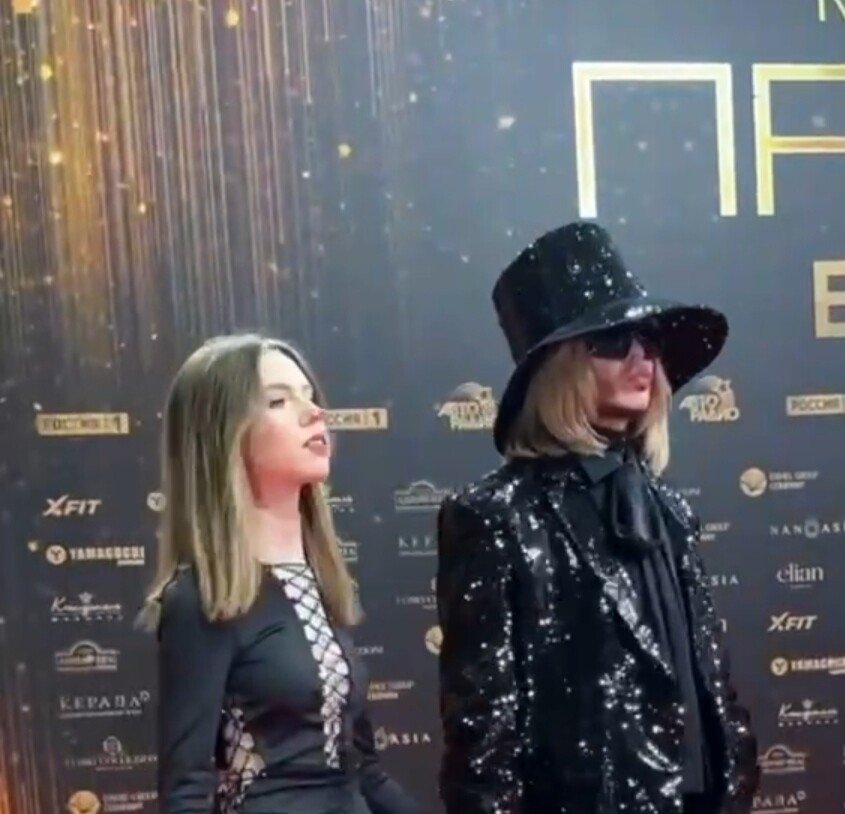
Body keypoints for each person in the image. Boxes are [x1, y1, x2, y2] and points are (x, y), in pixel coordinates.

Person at [436, 223, 759, 814]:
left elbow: (712, 681)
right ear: (560, 367)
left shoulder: (669, 509)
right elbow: (483, 733)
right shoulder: (494, 516)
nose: (642, 358)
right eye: (613, 341)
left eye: (649, 340)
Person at [141, 333, 421, 814]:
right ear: (223, 435)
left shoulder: (319, 583)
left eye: (309, 395)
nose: (314, 413)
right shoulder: (203, 598)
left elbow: (365, 772)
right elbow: (185, 790)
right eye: (278, 401)